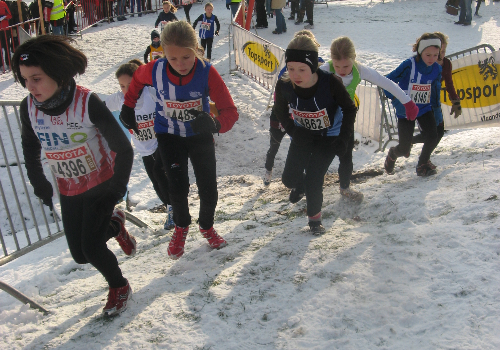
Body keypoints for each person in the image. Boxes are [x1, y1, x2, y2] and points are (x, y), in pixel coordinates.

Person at [12, 35, 135, 317]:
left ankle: (119, 286)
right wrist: (39, 181)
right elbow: (30, 146)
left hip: (102, 185)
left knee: (91, 249)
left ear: (57, 73)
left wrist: (115, 190)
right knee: (80, 255)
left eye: (36, 78)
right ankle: (115, 225)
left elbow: (123, 148)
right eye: (24, 79)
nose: (29, 87)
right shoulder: (28, 107)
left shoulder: (87, 102)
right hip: (69, 187)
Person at [120, 21, 238, 259]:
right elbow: (136, 81)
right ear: (163, 55)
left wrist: (215, 124)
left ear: (196, 49)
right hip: (168, 134)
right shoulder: (155, 69)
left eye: (186, 57)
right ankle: (181, 227)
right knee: (177, 186)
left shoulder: (206, 71)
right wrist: (128, 106)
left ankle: (206, 226)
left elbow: (230, 112)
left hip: (199, 135)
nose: (181, 64)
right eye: (173, 59)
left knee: (208, 187)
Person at [273, 34, 357, 234]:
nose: (296, 75)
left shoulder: (330, 83)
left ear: (313, 66)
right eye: (291, 68)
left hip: (329, 137)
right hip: (303, 135)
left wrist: (343, 139)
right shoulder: (284, 84)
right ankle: (299, 185)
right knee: (288, 179)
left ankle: (314, 221)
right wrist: (293, 130)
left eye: (302, 69)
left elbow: (349, 108)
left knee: (314, 178)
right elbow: (280, 111)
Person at [320, 36, 419, 201]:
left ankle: (345, 187)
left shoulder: (360, 70)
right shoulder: (324, 69)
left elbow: (386, 83)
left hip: (346, 120)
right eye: (337, 66)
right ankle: (310, 185)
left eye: (346, 65)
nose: (341, 70)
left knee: (346, 156)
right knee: (322, 156)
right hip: (325, 120)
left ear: (354, 59)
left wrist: (407, 102)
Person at [106, 60, 174, 230]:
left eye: (130, 84)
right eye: (122, 86)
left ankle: (174, 209)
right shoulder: (120, 99)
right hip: (144, 150)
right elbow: (99, 108)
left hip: (161, 143)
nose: (126, 90)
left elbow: (170, 100)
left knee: (161, 175)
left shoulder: (149, 92)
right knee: (156, 182)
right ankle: (170, 207)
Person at [263, 30, 323, 187]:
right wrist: (288, 121)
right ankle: (268, 170)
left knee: (305, 151)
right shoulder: (286, 75)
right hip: (283, 117)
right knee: (274, 147)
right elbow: (279, 100)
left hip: (304, 122)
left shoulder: (323, 69)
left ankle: (305, 180)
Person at [384, 33, 441, 177]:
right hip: (406, 109)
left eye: (435, 55)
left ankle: (423, 163)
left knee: (433, 136)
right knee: (404, 149)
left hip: (424, 108)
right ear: (420, 52)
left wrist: (437, 110)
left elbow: (434, 90)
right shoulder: (409, 65)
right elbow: (387, 81)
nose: (432, 59)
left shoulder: (436, 69)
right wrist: (396, 99)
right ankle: (393, 153)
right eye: (428, 55)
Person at [0, 0, 12, 69]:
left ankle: (9, 63)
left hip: (5, 29)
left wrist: (3, 17)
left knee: (6, 46)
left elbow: (9, 15)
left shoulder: (3, 3)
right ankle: (1, 65)